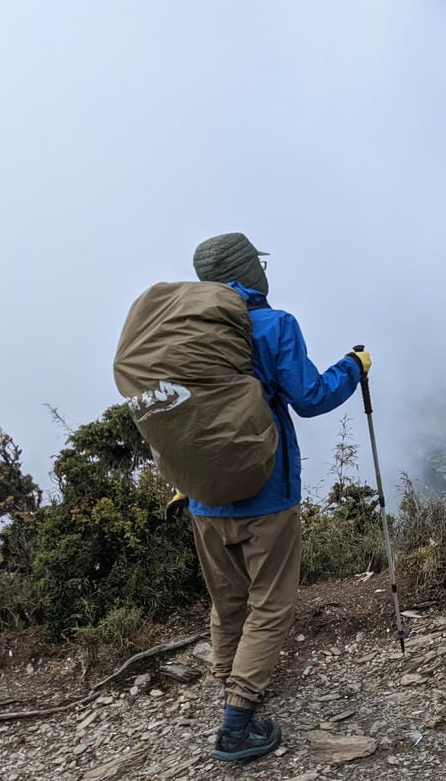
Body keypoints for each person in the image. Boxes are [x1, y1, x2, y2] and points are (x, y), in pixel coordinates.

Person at [188, 231, 369, 762]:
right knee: (270, 605)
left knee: (227, 604)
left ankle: (232, 685)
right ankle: (237, 724)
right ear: (248, 273)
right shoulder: (272, 325)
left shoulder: (184, 337)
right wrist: (353, 368)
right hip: (267, 494)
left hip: (202, 497)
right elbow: (310, 398)